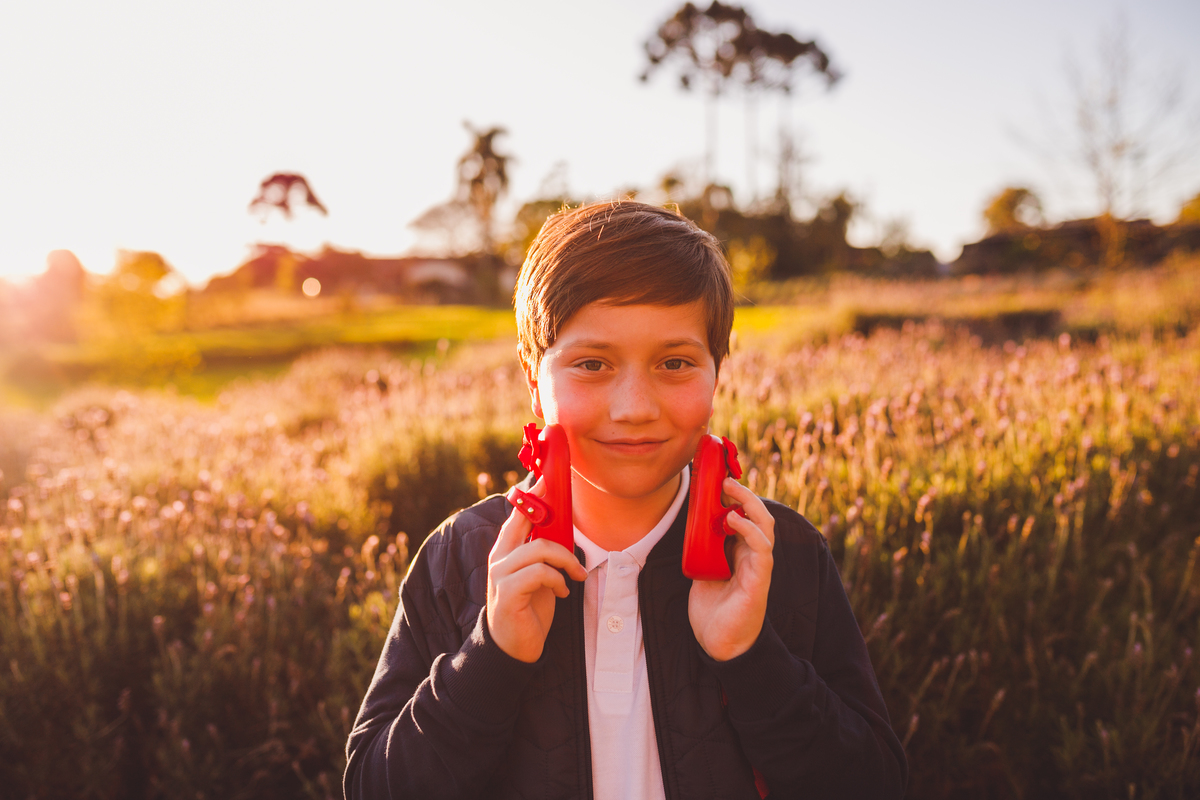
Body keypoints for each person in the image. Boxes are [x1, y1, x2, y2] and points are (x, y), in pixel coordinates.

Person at [344, 201, 906, 800]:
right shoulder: (458, 556)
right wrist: (492, 657)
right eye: (592, 364)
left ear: (718, 372)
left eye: (675, 363)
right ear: (533, 379)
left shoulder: (779, 552)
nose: (635, 407)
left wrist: (750, 656)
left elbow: (874, 784)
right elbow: (373, 786)